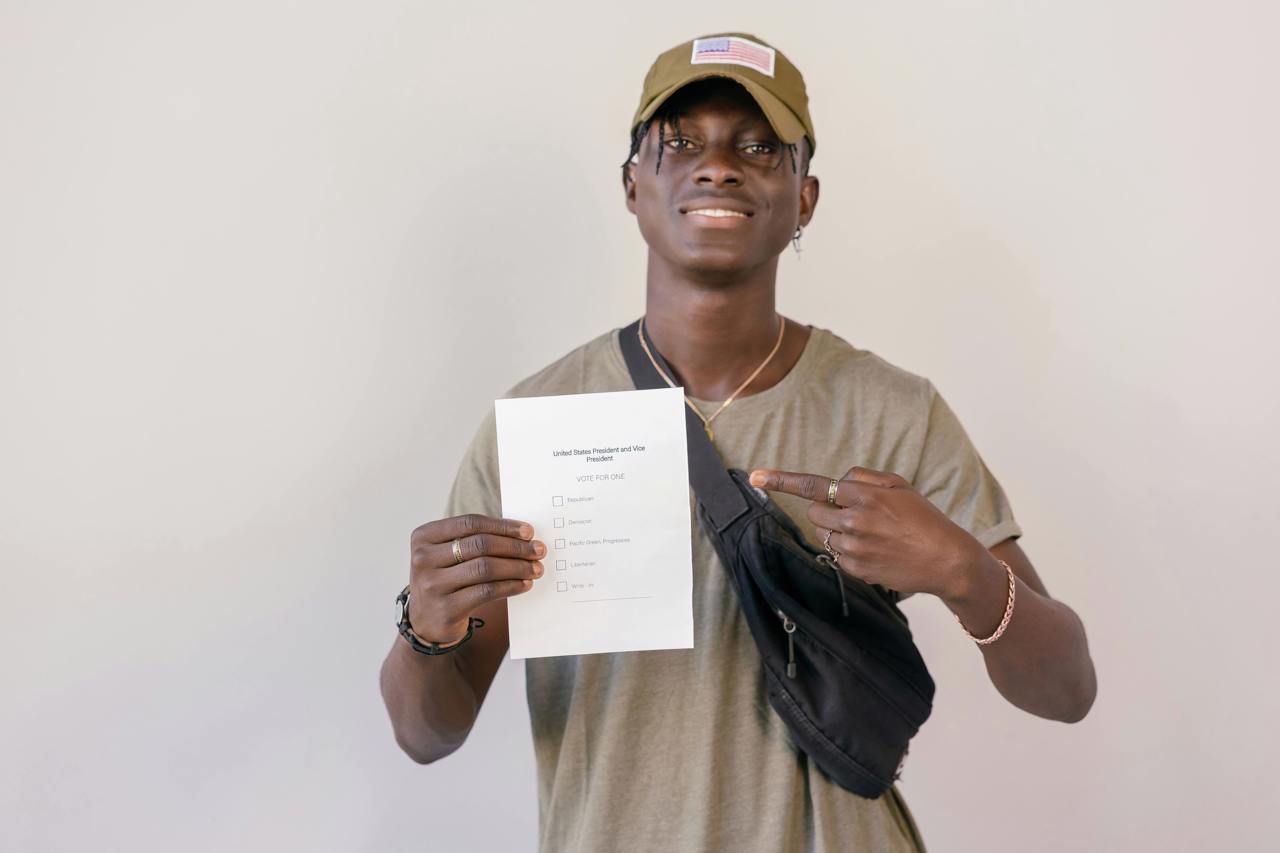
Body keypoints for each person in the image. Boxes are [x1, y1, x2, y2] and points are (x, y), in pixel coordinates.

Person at [379, 32, 1097, 853]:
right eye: (681, 142)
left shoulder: (893, 412)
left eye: (758, 147)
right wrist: (425, 628)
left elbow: (1067, 689)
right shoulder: (540, 421)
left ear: (805, 198)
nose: (717, 167)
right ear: (633, 186)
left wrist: (966, 572)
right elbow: (425, 735)